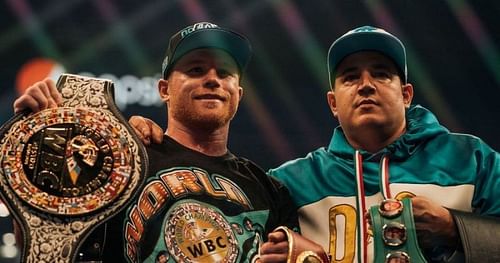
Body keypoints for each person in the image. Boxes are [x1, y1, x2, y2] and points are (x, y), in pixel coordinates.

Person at [131, 25, 500, 262]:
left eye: (382, 74)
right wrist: (137, 145)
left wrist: (456, 227)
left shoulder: (473, 159)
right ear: (332, 103)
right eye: (351, 77)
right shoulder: (288, 183)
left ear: (406, 94)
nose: (366, 85)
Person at [11, 22, 326, 263]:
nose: (213, 79)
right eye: (196, 69)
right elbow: (43, 245)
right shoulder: (124, 161)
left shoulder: (268, 188)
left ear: (238, 94)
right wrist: (40, 146)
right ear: (163, 89)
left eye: (226, 72)